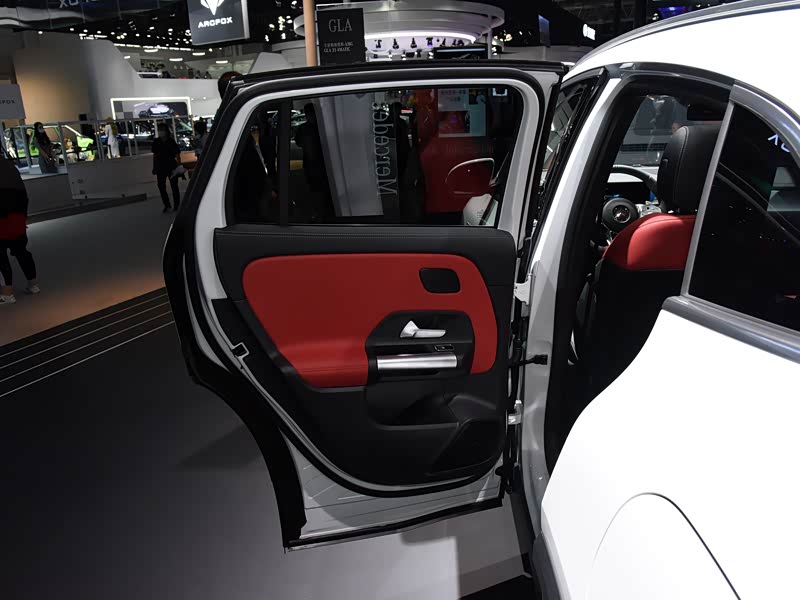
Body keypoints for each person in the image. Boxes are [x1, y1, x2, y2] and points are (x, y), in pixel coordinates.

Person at [0, 154, 39, 304]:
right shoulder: (10, 166)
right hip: (17, 217)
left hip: (2, 220)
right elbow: (23, 194)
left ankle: (7, 293)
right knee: (21, 251)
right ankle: (33, 284)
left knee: (1, 256)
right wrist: (23, 215)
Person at [152, 123, 181, 212]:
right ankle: (167, 205)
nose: (160, 132)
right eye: (159, 130)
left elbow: (177, 154)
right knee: (161, 186)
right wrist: (154, 167)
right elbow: (155, 155)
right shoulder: (156, 142)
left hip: (171, 166)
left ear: (166, 131)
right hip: (161, 167)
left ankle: (176, 205)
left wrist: (179, 166)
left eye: (162, 130)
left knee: (174, 186)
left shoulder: (171, 141)